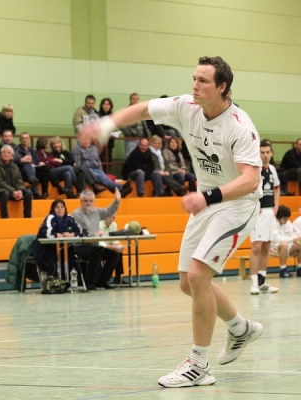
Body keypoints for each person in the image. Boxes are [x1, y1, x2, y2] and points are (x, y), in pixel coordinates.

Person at [83, 56, 263, 388]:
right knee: (187, 283)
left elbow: (251, 180)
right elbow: (143, 110)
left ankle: (199, 365)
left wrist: (207, 197)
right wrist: (106, 125)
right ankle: (240, 328)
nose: (195, 86)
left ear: (222, 87)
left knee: (197, 276)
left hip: (236, 205)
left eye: (203, 81)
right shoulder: (186, 106)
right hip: (206, 201)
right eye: (194, 78)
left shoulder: (239, 125)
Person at [72, 189, 122, 290]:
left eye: (90, 201)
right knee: (95, 257)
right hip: (80, 246)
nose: (88, 203)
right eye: (85, 201)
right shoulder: (76, 214)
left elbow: (110, 211)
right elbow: (80, 233)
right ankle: (90, 283)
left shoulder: (97, 211)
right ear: (81, 201)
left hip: (94, 245)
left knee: (114, 255)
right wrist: (94, 234)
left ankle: (103, 281)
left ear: (94, 202)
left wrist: (117, 200)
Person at [249, 141, 280, 295]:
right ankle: (254, 283)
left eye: (268, 152)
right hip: (258, 213)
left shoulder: (272, 169)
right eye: (262, 152)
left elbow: (277, 187)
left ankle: (262, 282)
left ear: (271, 153)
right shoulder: (254, 169)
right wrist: (254, 206)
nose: (265, 155)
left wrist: (276, 205)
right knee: (257, 247)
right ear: (258, 154)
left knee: (267, 247)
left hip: (269, 212)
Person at [32, 199, 81, 289]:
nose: (60, 209)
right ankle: (52, 284)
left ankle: (66, 283)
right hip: (46, 248)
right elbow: (48, 234)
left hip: (64, 248)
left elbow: (79, 231)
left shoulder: (69, 218)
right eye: (57, 207)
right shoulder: (50, 218)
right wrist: (57, 235)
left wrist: (71, 235)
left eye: (62, 207)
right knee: (54, 262)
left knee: (71, 259)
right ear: (53, 209)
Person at [0, 145, 32, 219]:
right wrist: (13, 191)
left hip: (13, 191)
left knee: (28, 193)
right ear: (1, 154)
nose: (6, 154)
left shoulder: (14, 166)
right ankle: (4, 217)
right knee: (5, 193)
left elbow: (19, 179)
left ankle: (27, 217)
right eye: (4, 152)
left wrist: (20, 190)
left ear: (12, 155)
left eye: (8, 153)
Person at [270, 205, 301, 278]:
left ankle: (300, 268)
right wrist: (292, 239)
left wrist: (297, 240)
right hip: (272, 247)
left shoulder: (288, 223)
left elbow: (291, 235)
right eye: (284, 219)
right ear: (278, 217)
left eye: (287, 219)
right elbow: (276, 239)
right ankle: (283, 269)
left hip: (287, 245)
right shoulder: (272, 224)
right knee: (284, 245)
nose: (286, 221)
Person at [98, 214, 128, 285]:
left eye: (113, 218)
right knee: (114, 255)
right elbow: (98, 241)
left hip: (107, 247)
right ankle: (103, 278)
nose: (111, 219)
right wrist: (113, 247)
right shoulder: (98, 224)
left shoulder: (114, 225)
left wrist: (119, 246)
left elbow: (114, 240)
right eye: (109, 217)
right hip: (98, 247)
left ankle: (118, 277)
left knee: (119, 252)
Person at [121, 93, 152, 158]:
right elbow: (122, 125)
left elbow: (145, 125)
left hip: (142, 138)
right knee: (130, 156)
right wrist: (129, 134)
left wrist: (148, 135)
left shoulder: (141, 110)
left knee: (142, 157)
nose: (135, 101)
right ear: (130, 100)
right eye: (133, 99)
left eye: (137, 99)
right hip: (131, 139)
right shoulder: (126, 111)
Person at [98, 98, 116, 171]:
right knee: (101, 162)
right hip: (100, 143)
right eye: (105, 104)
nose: (106, 106)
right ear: (101, 105)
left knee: (108, 162)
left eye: (108, 104)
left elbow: (114, 127)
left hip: (109, 143)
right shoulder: (98, 115)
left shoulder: (112, 116)